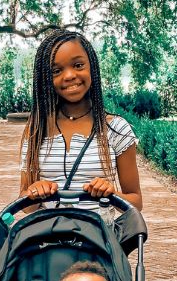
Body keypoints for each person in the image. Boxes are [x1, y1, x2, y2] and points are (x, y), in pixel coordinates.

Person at [19, 31, 142, 212]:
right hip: (48, 237)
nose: (69, 75)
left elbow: (136, 202)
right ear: (45, 79)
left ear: (91, 66)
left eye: (78, 65)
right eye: (56, 71)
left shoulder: (115, 129)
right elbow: (26, 207)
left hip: (99, 237)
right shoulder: (37, 130)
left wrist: (112, 194)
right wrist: (35, 192)